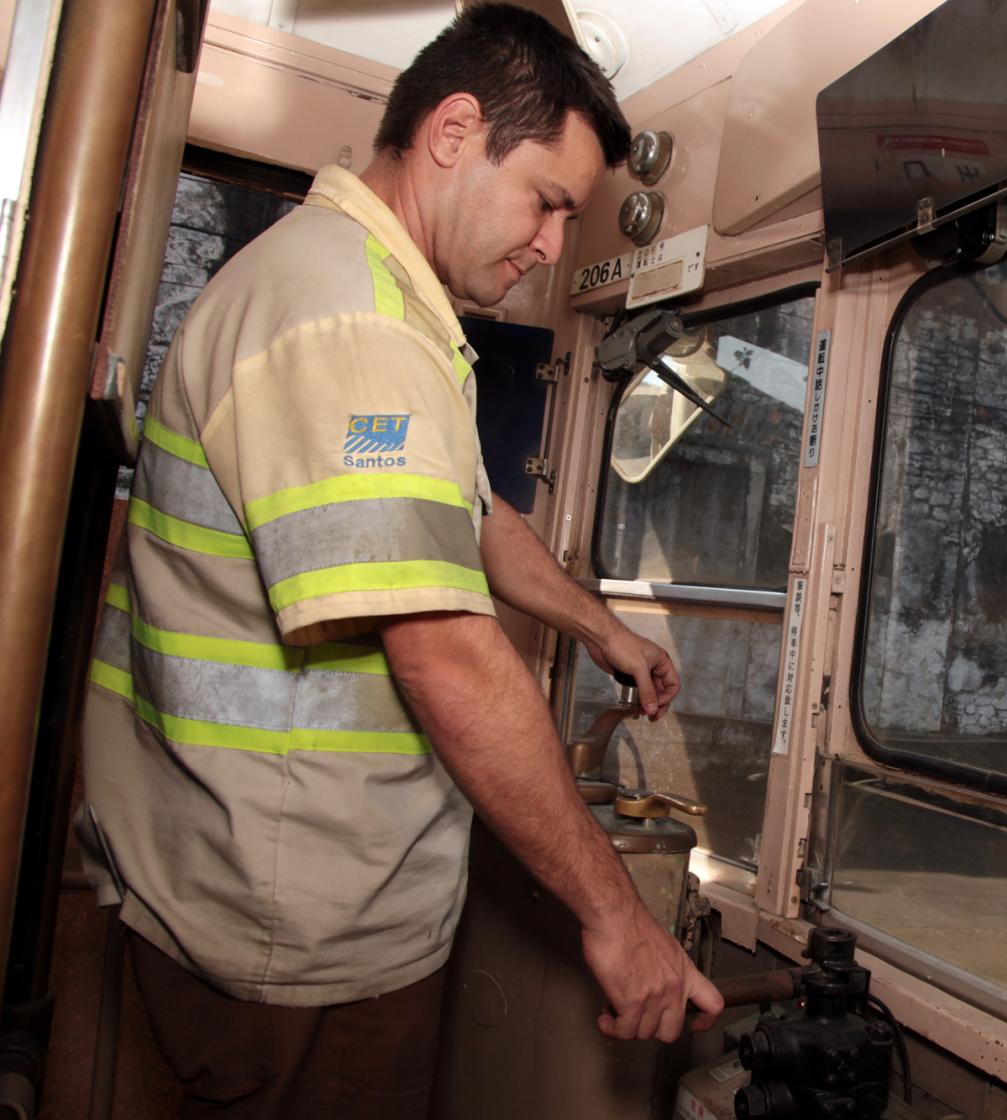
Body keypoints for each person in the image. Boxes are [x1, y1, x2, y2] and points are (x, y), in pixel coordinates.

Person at [75, 5, 722, 1114]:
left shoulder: (368, 300)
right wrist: (617, 914)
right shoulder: (352, 325)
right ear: (454, 131)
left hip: (272, 893)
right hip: (291, 929)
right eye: (549, 202)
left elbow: (458, 518)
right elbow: (448, 655)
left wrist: (599, 629)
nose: (552, 247)